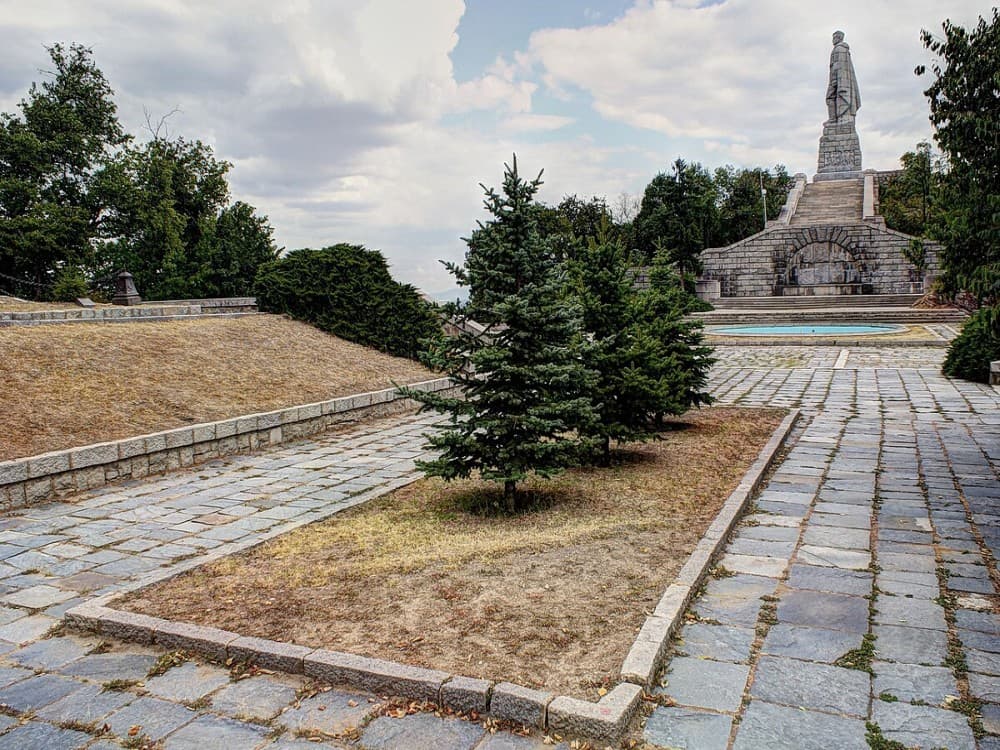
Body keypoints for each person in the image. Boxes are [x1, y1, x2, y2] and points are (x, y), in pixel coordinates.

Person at [826, 31, 861, 123]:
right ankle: (834, 119)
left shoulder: (839, 49)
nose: (833, 40)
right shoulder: (841, 49)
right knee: (831, 98)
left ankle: (834, 119)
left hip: (836, 80)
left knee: (829, 97)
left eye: (835, 37)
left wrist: (835, 81)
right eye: (833, 37)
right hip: (836, 80)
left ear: (840, 38)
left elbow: (839, 67)